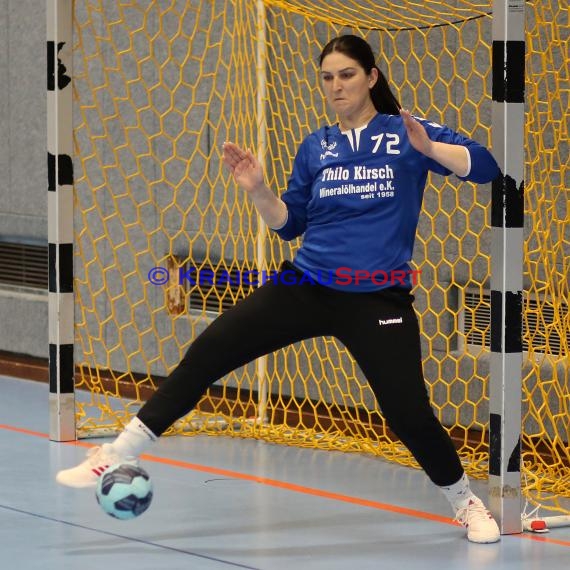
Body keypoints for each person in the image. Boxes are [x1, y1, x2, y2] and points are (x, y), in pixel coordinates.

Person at [57, 34, 501, 543]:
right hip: (307, 284)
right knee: (208, 351)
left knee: (408, 413)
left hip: (379, 295)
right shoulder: (317, 146)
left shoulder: (407, 133)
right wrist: (258, 189)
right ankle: (118, 451)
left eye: (347, 75)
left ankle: (465, 502)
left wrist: (429, 147)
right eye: (328, 77)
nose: (336, 86)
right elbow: (291, 225)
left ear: (372, 77)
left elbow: (485, 167)